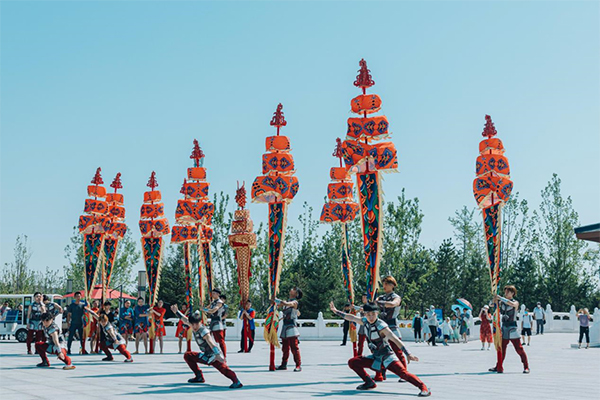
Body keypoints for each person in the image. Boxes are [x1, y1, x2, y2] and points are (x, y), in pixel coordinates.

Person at [329, 301, 431, 397]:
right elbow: (351, 317)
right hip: (376, 358)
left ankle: (423, 387)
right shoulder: (365, 321)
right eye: (368, 314)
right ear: (365, 314)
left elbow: (395, 339)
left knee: (403, 374)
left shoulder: (381, 326)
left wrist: (408, 354)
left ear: (377, 313)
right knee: (353, 362)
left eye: (373, 314)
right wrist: (336, 311)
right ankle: (369, 382)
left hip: (387, 357)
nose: (371, 317)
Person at [171, 304, 243, 389]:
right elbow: (185, 320)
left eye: (196, 324)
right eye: (192, 324)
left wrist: (218, 355)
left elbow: (211, 343)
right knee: (188, 355)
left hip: (213, 356)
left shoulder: (203, 331)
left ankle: (236, 381)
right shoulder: (192, 325)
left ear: (200, 322)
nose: (194, 326)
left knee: (224, 369)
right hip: (205, 356)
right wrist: (177, 312)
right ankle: (199, 377)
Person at [488, 285, 529, 374]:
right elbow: (491, 305)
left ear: (513, 293)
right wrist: (494, 299)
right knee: (501, 349)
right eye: (505, 291)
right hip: (504, 328)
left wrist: (500, 298)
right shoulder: (502, 302)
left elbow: (512, 305)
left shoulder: (515, 302)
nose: (506, 293)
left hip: (513, 328)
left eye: (508, 292)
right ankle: (498, 366)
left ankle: (526, 366)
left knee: (519, 349)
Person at [276, 287, 303, 372]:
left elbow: (285, 303)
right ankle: (284, 364)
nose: (291, 289)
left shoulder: (294, 302)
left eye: (293, 289)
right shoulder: (287, 301)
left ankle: (298, 365)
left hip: (291, 326)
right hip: (285, 326)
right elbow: (281, 304)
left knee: (294, 347)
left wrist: (276, 300)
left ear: (296, 293)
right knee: (285, 348)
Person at [205, 289, 227, 358]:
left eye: (214, 293)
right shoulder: (213, 302)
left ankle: (224, 356)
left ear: (218, 294)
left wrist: (205, 309)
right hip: (212, 322)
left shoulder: (219, 302)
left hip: (218, 322)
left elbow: (213, 310)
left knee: (220, 340)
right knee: (209, 339)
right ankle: (212, 354)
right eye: (212, 293)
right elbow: (207, 308)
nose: (213, 294)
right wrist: (202, 307)